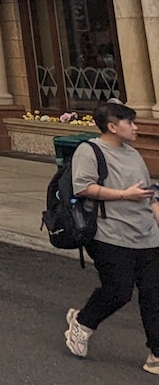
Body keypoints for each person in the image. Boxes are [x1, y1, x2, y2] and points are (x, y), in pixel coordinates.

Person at [64, 100, 159, 369]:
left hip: (146, 234)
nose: (135, 127)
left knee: (154, 294)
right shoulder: (89, 151)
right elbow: (83, 187)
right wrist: (124, 195)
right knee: (119, 291)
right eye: (130, 123)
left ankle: (156, 355)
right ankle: (83, 322)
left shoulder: (133, 154)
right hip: (110, 234)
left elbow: (149, 193)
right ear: (112, 127)